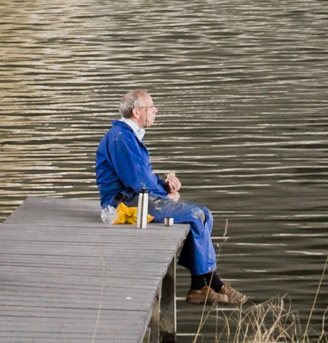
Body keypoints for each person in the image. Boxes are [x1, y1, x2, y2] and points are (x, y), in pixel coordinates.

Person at [94, 87, 245, 307]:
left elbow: (141, 176)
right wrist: (165, 193)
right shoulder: (121, 138)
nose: (155, 111)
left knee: (204, 213)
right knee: (194, 214)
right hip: (124, 203)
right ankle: (211, 281)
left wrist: (165, 185)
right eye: (151, 108)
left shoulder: (127, 136)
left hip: (135, 196)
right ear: (136, 112)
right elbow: (138, 182)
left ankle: (199, 284)